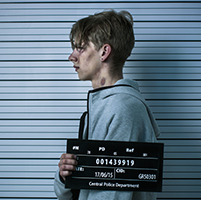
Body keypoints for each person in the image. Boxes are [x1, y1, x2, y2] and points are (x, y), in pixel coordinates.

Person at [54, 9, 161, 200]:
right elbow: (86, 187)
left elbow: (113, 193)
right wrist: (66, 176)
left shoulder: (123, 109)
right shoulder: (100, 107)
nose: (72, 56)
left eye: (80, 47)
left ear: (104, 52)